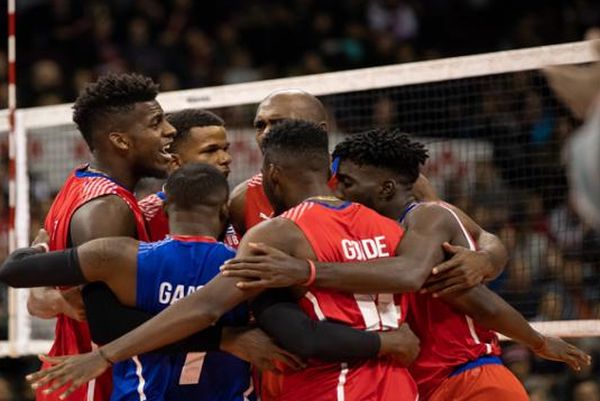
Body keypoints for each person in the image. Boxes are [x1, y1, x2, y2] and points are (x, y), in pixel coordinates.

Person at [20, 121, 421, 401]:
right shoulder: (390, 227)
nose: (226, 159)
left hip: (329, 382)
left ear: (272, 173)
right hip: (399, 382)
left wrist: (104, 354)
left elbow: (208, 308)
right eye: (213, 150)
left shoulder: (275, 233)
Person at [221, 128, 592, 401]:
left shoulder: (426, 218)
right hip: (421, 386)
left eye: (347, 182)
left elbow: (473, 296)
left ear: (384, 189)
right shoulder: (377, 233)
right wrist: (490, 254)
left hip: (470, 380)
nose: (338, 191)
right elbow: (487, 240)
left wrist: (537, 340)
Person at [26, 73, 176, 401]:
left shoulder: (79, 183)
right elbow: (105, 320)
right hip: (99, 384)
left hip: (77, 382)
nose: (170, 130)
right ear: (121, 141)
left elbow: (45, 299)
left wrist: (49, 297)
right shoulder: (107, 209)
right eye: (156, 123)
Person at [139, 109, 234, 242]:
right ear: (175, 162)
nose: (226, 158)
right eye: (211, 150)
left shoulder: (239, 207)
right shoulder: (143, 218)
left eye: (225, 149)